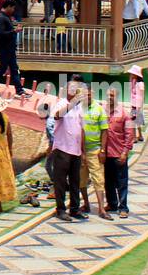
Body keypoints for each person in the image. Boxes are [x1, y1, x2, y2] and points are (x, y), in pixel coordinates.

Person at [49, 79, 86, 221]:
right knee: (60, 181)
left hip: (75, 150)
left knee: (75, 180)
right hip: (62, 148)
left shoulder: (79, 107)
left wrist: (82, 150)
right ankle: (60, 209)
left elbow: (81, 128)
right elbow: (57, 115)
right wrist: (72, 103)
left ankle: (75, 208)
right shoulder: (61, 104)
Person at [80, 85, 112, 219]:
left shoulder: (99, 109)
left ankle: (101, 209)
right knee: (81, 180)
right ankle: (86, 203)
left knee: (98, 179)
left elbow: (104, 130)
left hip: (95, 150)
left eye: (88, 94)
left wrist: (102, 150)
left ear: (92, 93)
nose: (86, 97)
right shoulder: (77, 109)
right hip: (80, 151)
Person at [103, 88, 135, 218]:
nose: (109, 97)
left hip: (118, 153)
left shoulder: (124, 114)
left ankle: (123, 208)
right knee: (108, 181)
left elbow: (130, 134)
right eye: (108, 95)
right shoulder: (103, 111)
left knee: (121, 182)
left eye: (112, 95)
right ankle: (112, 204)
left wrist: (125, 152)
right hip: (106, 153)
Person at [0, 0, 26, 95]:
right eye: (13, 8)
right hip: (5, 49)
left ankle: (19, 90)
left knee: (13, 69)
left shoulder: (5, 17)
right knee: (3, 69)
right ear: (8, 6)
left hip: (9, 48)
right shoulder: (1, 18)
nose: (13, 10)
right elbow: (0, 33)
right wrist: (14, 31)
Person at [128, 64, 146, 141]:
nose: (131, 74)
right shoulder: (134, 82)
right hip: (134, 104)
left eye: (132, 73)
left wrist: (138, 108)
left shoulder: (140, 84)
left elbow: (141, 96)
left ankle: (135, 137)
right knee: (135, 120)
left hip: (137, 106)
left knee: (135, 120)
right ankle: (139, 136)